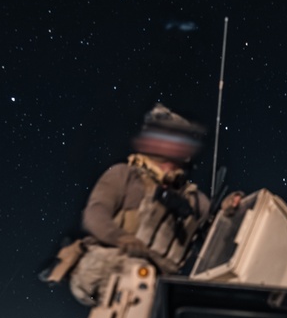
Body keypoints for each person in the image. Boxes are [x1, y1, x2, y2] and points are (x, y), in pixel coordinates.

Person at [59, 104, 222, 306]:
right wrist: (121, 238)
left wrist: (231, 209)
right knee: (140, 277)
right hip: (107, 265)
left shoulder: (194, 200)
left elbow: (219, 228)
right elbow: (95, 215)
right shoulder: (124, 175)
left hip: (159, 282)